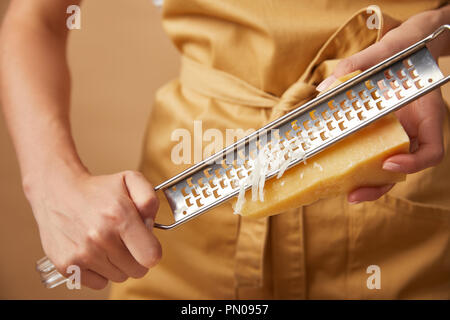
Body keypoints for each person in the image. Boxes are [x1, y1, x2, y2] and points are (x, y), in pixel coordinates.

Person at [1, 0, 449, 299]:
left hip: (401, 211)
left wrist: (434, 35)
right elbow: (36, 16)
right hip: (187, 251)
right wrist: (51, 181)